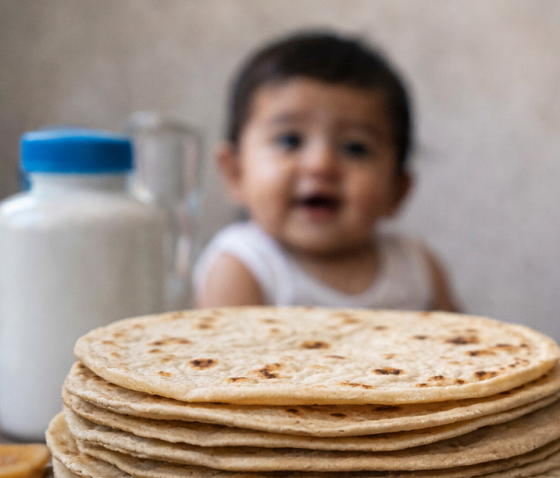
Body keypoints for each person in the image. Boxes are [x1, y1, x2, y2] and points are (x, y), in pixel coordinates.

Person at [194, 31, 457, 311]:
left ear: (398, 191)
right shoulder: (242, 266)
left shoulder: (418, 268)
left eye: (355, 148)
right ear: (235, 173)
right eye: (289, 141)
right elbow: (225, 354)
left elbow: (466, 349)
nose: (321, 164)